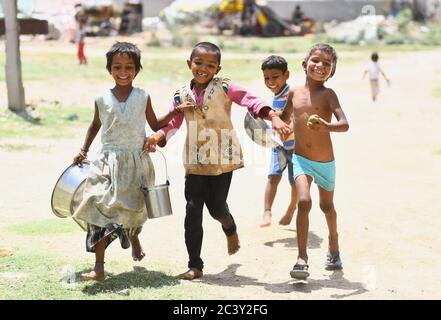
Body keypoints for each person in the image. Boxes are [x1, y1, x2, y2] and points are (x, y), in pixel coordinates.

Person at [145, 42, 291, 280]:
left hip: (224, 157)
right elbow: (173, 123)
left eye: (210, 65)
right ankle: (195, 265)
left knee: (216, 208)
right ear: (189, 64)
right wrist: (159, 135)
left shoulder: (225, 86)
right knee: (192, 210)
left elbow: (250, 100)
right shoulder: (181, 94)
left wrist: (272, 115)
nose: (203, 68)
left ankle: (229, 226)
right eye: (198, 63)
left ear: (218, 67)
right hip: (194, 160)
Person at [72, 42, 189, 281]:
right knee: (98, 206)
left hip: (136, 162)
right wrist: (83, 150)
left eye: (129, 67)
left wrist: (176, 111)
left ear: (137, 70)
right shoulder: (101, 98)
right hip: (107, 161)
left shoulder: (142, 96)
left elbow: (155, 124)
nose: (123, 72)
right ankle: (99, 267)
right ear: (109, 69)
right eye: (117, 67)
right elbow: (95, 125)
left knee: (133, 208)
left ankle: (134, 239)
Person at [281, 43, 349, 280]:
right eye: (316, 60)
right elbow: (284, 118)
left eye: (327, 64)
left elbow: (344, 124)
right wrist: (277, 124)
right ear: (305, 63)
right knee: (304, 201)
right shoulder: (293, 93)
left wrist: (327, 126)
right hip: (301, 159)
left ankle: (333, 243)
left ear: (332, 71)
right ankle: (302, 258)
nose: (320, 66)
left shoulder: (328, 95)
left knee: (326, 207)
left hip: (325, 162)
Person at [260, 55, 297, 228]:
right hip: (279, 146)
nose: (270, 81)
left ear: (286, 75)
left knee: (295, 182)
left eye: (275, 77)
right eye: (267, 78)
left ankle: (291, 208)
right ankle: (267, 212)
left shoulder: (292, 94)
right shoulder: (275, 96)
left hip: (296, 147)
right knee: (273, 177)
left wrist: (289, 125)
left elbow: (295, 116)